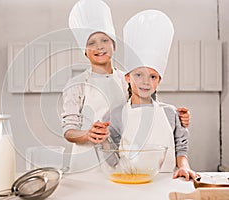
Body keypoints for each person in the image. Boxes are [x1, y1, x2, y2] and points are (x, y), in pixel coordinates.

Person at [62, 0, 190, 172]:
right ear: (84, 50)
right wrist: (87, 134)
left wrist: (179, 118)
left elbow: (150, 109)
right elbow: (69, 130)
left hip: (123, 162)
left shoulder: (127, 77)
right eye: (91, 43)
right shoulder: (76, 85)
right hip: (87, 163)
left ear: (113, 45)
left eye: (105, 40)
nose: (99, 46)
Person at [107, 10, 198, 180]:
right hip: (130, 182)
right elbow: (110, 154)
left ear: (159, 81)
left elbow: (181, 146)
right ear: (127, 77)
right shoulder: (117, 114)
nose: (146, 82)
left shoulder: (170, 112)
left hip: (167, 180)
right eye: (138, 75)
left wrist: (184, 167)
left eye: (153, 76)